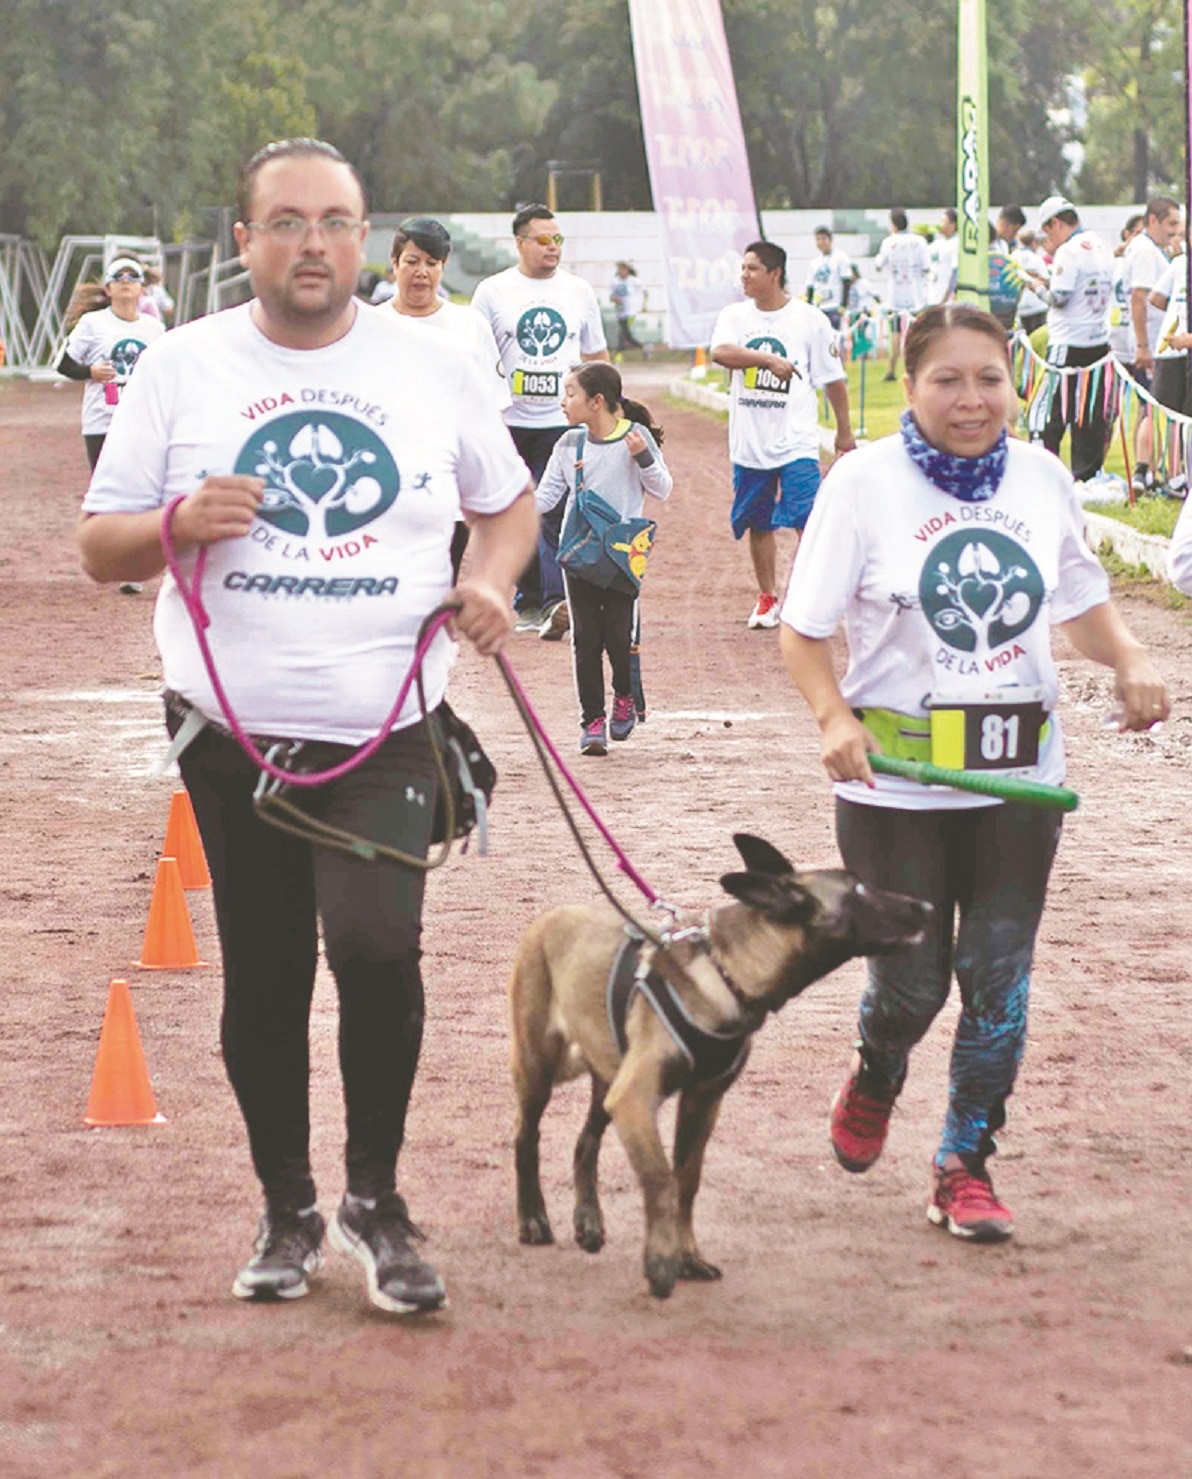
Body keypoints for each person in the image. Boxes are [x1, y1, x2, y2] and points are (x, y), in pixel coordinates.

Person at [75, 138, 537, 1316]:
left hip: (387, 728)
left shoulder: (428, 368)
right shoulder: (182, 367)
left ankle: (376, 1202)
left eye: (335, 221)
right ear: (245, 241)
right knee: (268, 973)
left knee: (378, 950)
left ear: (366, 237)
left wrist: (489, 581)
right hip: (232, 733)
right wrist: (177, 520)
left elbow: (507, 505)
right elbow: (99, 546)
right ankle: (288, 1207)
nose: (313, 243)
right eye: (285, 222)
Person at [779, 302, 1168, 1244]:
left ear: (1013, 381)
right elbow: (803, 629)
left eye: (988, 378)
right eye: (946, 380)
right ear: (909, 386)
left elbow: (1078, 599)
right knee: (911, 986)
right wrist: (833, 716)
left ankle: (964, 1162)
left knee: (998, 978)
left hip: (1018, 777)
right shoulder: (863, 484)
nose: (971, 399)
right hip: (896, 780)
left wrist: (1127, 658)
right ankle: (877, 1071)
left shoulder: (1039, 477)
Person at [471, 204, 609, 636]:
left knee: (552, 511)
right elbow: (475, 356)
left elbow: (596, 356)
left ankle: (554, 602)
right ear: (520, 242)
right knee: (515, 509)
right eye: (543, 240)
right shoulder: (492, 293)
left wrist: (608, 412)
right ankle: (529, 599)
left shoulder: (579, 292)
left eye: (558, 240)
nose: (552, 248)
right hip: (507, 422)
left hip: (560, 423)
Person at [710, 239, 854, 630]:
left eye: (753, 268)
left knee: (807, 519)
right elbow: (720, 352)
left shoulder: (809, 320)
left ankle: (811, 598)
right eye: (743, 268)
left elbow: (833, 381)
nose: (744, 275)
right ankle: (768, 597)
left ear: (775, 274)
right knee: (759, 522)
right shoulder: (735, 317)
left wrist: (844, 433)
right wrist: (767, 359)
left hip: (797, 441)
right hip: (750, 443)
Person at [534, 363, 672, 755]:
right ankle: (592, 720)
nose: (563, 402)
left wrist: (644, 457)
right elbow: (546, 498)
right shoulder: (568, 445)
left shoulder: (636, 436)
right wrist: (509, 505)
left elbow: (662, 488)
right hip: (578, 552)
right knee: (585, 639)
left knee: (618, 636)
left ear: (596, 401)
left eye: (571, 393)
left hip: (624, 553)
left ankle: (624, 698)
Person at [379, 215, 512, 577]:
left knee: (442, 578)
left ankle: (437, 635)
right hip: (388, 482)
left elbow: (492, 409)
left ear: (443, 267)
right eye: (412, 261)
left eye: (431, 263)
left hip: (451, 485)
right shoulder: (370, 327)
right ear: (394, 264)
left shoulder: (470, 326)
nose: (421, 272)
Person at [1022, 196, 1114, 486]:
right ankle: (1086, 474)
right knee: (1089, 410)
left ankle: (1043, 469)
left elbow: (1059, 299)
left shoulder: (1068, 251)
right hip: (1097, 340)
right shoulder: (1099, 244)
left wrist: (1036, 286)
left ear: (1056, 223)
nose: (1048, 239)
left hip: (1067, 340)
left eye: (1048, 231)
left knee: (1050, 409)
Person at [57, 257, 165, 473]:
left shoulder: (155, 328)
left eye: (133, 277)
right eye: (118, 277)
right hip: (102, 420)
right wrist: (90, 371)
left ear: (142, 289)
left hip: (142, 421)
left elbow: (164, 374)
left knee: (141, 486)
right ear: (108, 289)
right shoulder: (92, 323)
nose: (125, 281)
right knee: (104, 488)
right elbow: (63, 364)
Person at [1121, 196, 1182, 495]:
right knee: (1154, 411)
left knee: (1149, 409)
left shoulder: (1151, 249)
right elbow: (1139, 299)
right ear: (1153, 220)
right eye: (1171, 223)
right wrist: (1143, 345)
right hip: (1155, 345)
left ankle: (1146, 472)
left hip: (1159, 342)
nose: (1173, 231)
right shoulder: (1146, 252)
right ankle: (1146, 472)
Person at [873, 208, 931, 379]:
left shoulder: (889, 242)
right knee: (916, 332)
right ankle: (915, 367)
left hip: (895, 297)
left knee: (896, 333)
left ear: (893, 224)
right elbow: (926, 267)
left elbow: (878, 264)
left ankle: (892, 369)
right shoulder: (919, 241)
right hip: (916, 296)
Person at [804, 226, 858, 329]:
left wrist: (843, 305)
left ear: (830, 240)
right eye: (818, 239)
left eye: (824, 239)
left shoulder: (840, 257)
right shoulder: (814, 263)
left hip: (835, 306)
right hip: (820, 307)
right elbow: (810, 287)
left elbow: (846, 281)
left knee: (834, 337)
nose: (821, 242)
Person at [609, 260, 646, 353]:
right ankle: (642, 347)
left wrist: (643, 305)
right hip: (620, 311)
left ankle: (619, 352)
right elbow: (611, 297)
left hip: (631, 312)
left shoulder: (633, 281)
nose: (622, 271)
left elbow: (645, 292)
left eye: (624, 269)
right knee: (625, 334)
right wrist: (616, 299)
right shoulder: (615, 281)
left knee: (623, 332)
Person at [931, 207, 959, 304]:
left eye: (943, 221)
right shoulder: (937, 244)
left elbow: (955, 273)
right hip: (933, 296)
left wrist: (947, 298)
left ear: (953, 225)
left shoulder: (956, 244)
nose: (940, 224)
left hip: (945, 299)